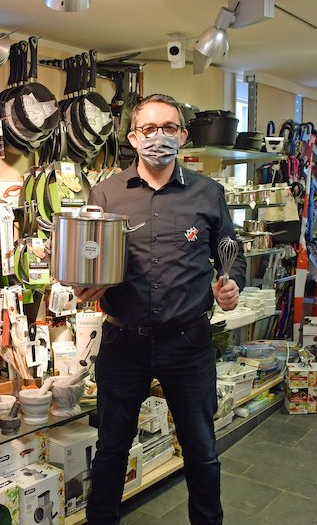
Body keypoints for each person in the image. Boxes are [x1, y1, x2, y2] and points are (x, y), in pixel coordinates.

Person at [76, 93, 246, 525]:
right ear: (133, 137)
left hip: (189, 343)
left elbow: (232, 252)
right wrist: (81, 283)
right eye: (148, 129)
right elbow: (87, 255)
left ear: (183, 135)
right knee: (112, 450)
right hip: (122, 342)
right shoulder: (106, 193)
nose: (159, 137)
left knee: (201, 450)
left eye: (169, 127)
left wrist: (233, 284)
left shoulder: (208, 193)